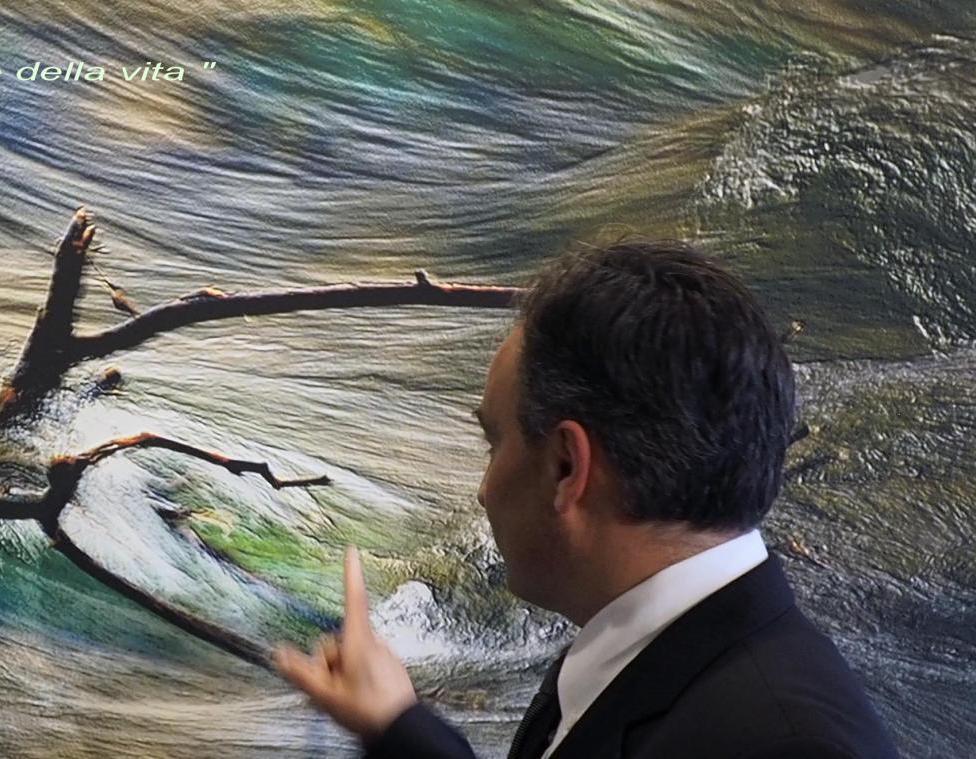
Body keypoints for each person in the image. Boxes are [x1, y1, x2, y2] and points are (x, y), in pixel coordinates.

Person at [271, 240, 900, 758]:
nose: (484, 492)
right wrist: (397, 727)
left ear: (567, 467)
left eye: (494, 442)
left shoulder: (785, 744)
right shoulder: (659, 652)